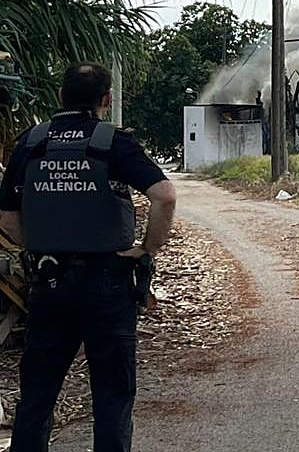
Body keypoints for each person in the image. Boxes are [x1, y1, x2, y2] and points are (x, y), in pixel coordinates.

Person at [0, 63, 177, 452]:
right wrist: (148, 248)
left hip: (49, 283)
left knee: (37, 397)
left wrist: (42, 244)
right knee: (112, 399)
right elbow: (164, 195)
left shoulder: (31, 142)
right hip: (108, 284)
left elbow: (8, 218)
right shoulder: (113, 142)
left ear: (60, 97)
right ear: (106, 100)